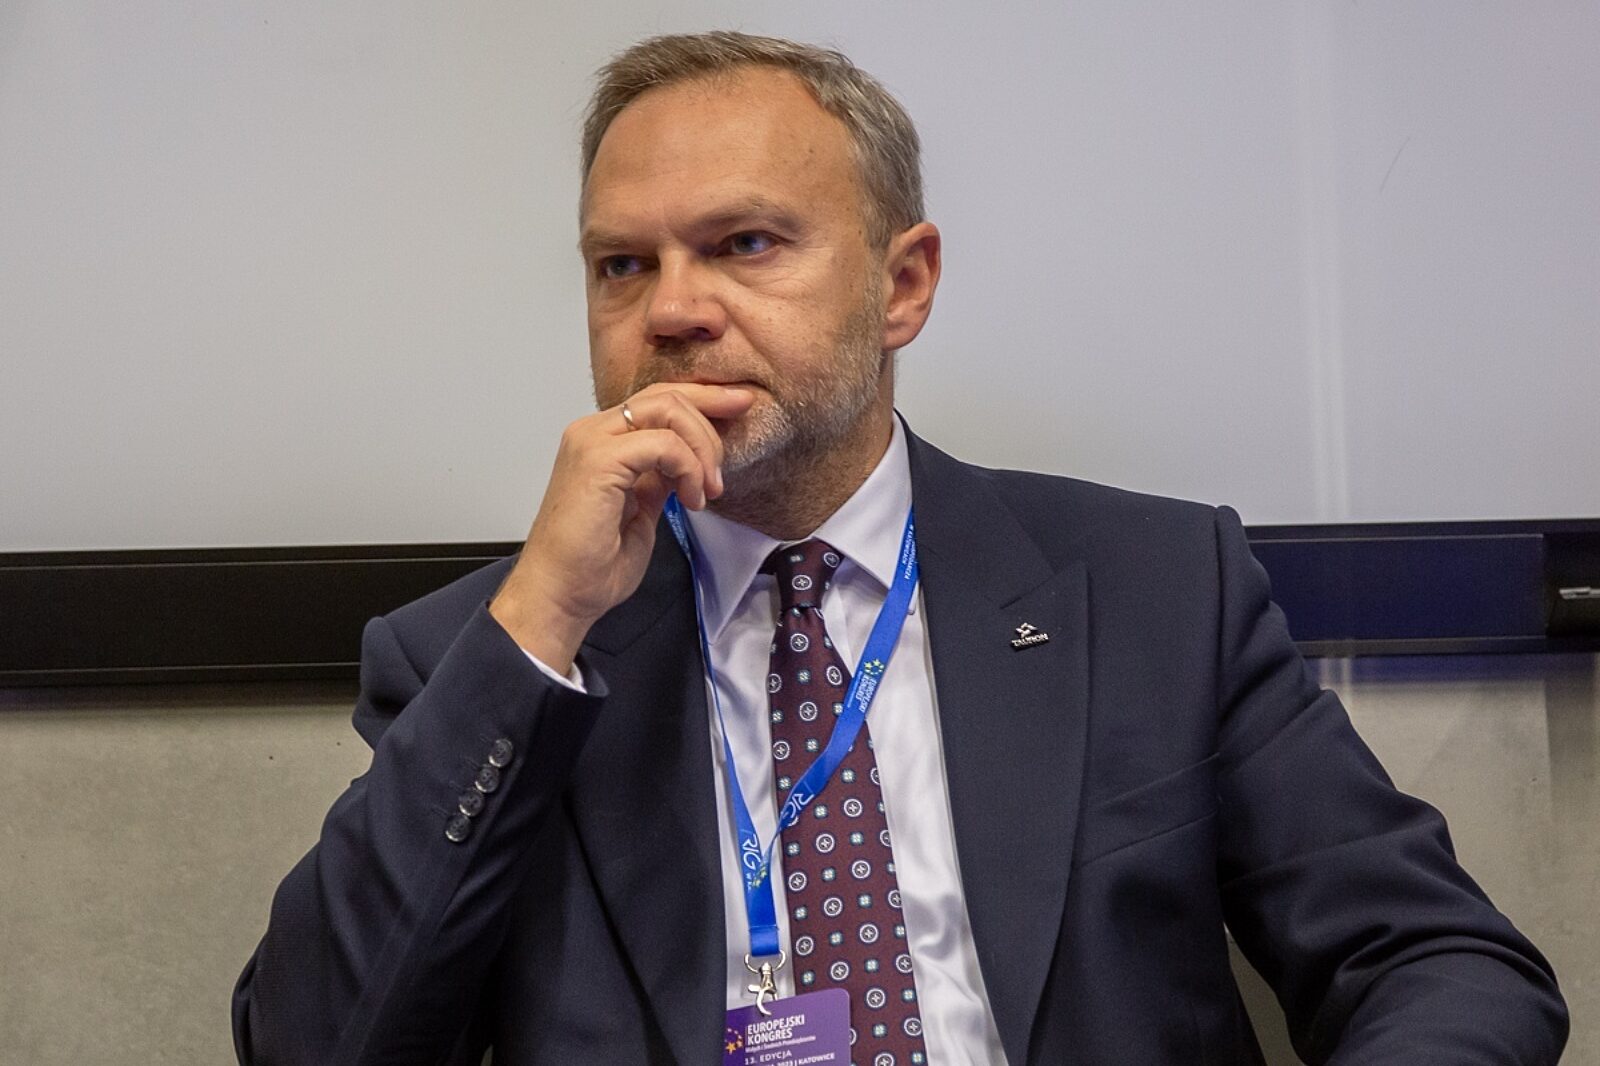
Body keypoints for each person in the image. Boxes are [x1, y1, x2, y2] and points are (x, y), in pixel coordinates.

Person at [232, 31, 1567, 1066]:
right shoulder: (485, 661)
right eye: (622, 266)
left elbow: (1441, 964)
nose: (674, 310)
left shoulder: (1157, 591)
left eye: (744, 244)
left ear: (903, 283)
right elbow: (312, 1045)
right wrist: (539, 624)